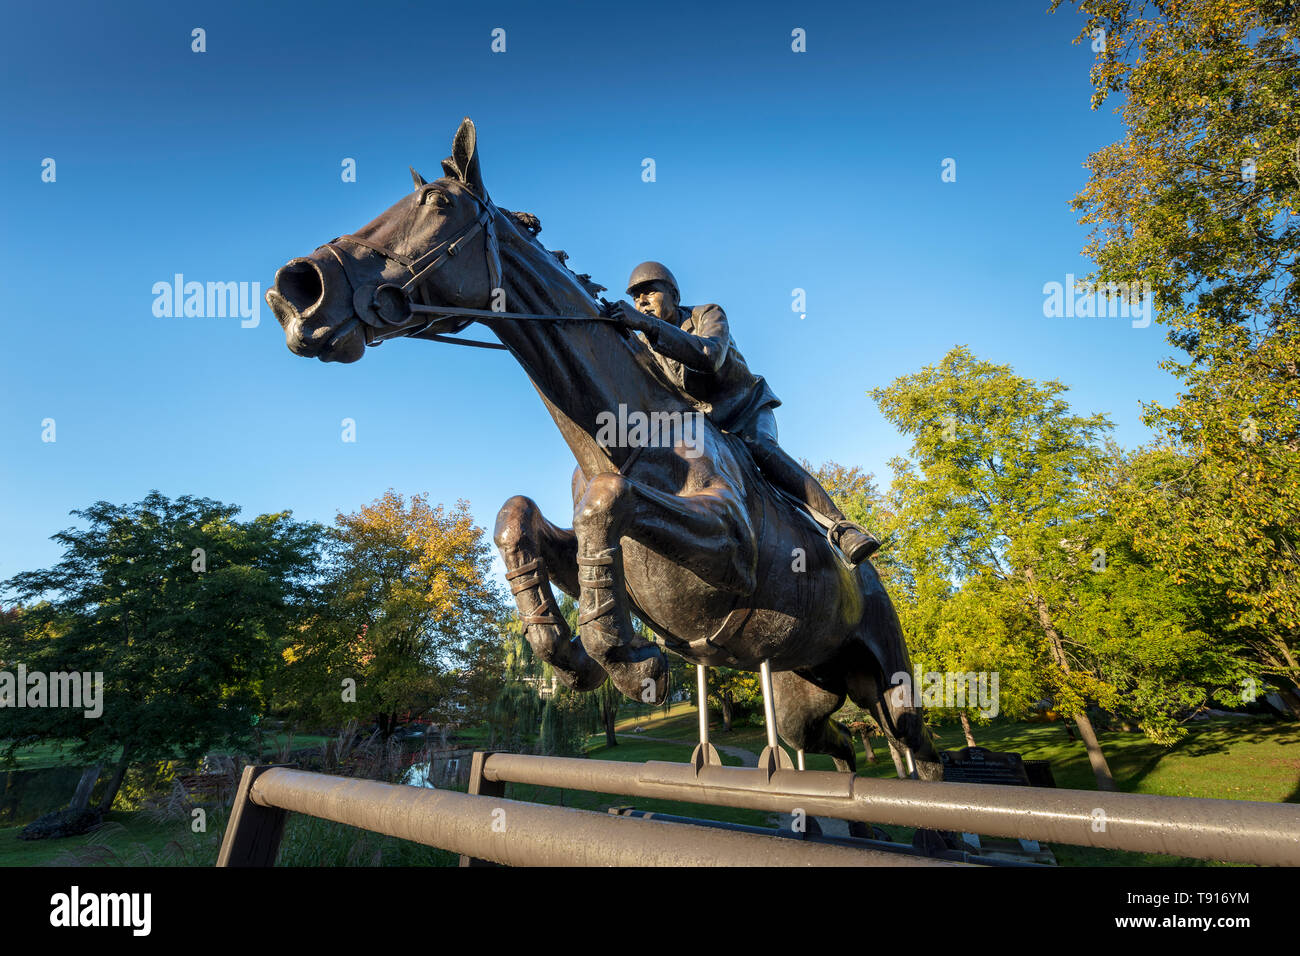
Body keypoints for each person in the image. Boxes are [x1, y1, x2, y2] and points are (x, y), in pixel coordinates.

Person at [601, 261, 880, 564]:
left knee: (761, 447)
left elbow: (709, 357)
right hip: (703, 428)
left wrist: (649, 327)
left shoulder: (707, 314)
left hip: (745, 410)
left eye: (650, 292)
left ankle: (841, 527)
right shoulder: (640, 341)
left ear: (674, 296)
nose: (641, 301)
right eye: (636, 297)